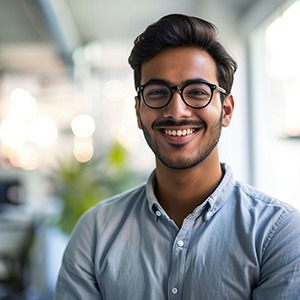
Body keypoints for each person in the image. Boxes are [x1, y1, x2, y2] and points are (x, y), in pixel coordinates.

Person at [55, 14, 300, 299]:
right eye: (158, 93)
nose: (177, 111)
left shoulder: (277, 233)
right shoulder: (95, 232)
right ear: (138, 111)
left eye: (197, 92)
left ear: (227, 110)